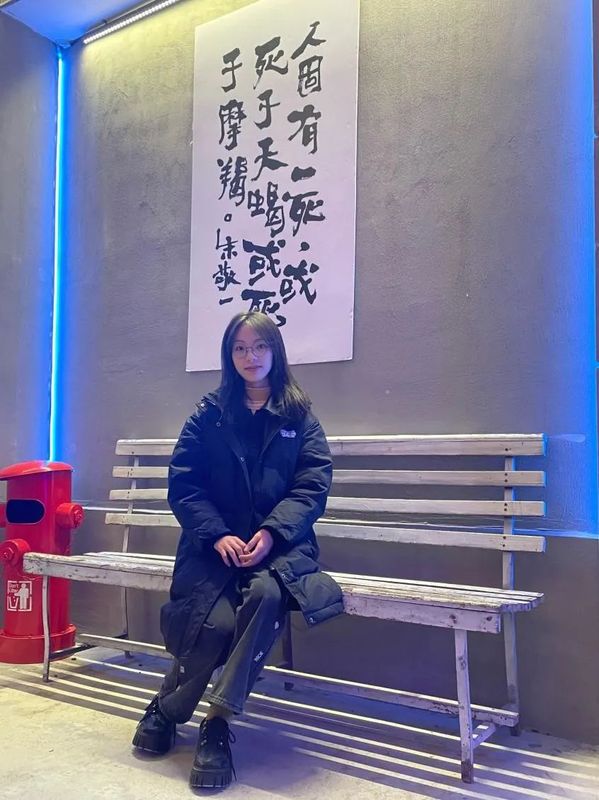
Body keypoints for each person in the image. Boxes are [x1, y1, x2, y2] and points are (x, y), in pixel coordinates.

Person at [132, 311, 343, 789]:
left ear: (275, 352)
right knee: (216, 623)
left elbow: (312, 485)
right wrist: (216, 535)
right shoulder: (208, 415)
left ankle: (216, 722)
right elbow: (185, 485)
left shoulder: (299, 418)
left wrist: (271, 533)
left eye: (260, 346)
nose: (251, 356)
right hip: (213, 548)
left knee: (266, 596)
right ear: (229, 357)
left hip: (279, 550)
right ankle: (169, 705)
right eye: (240, 348)